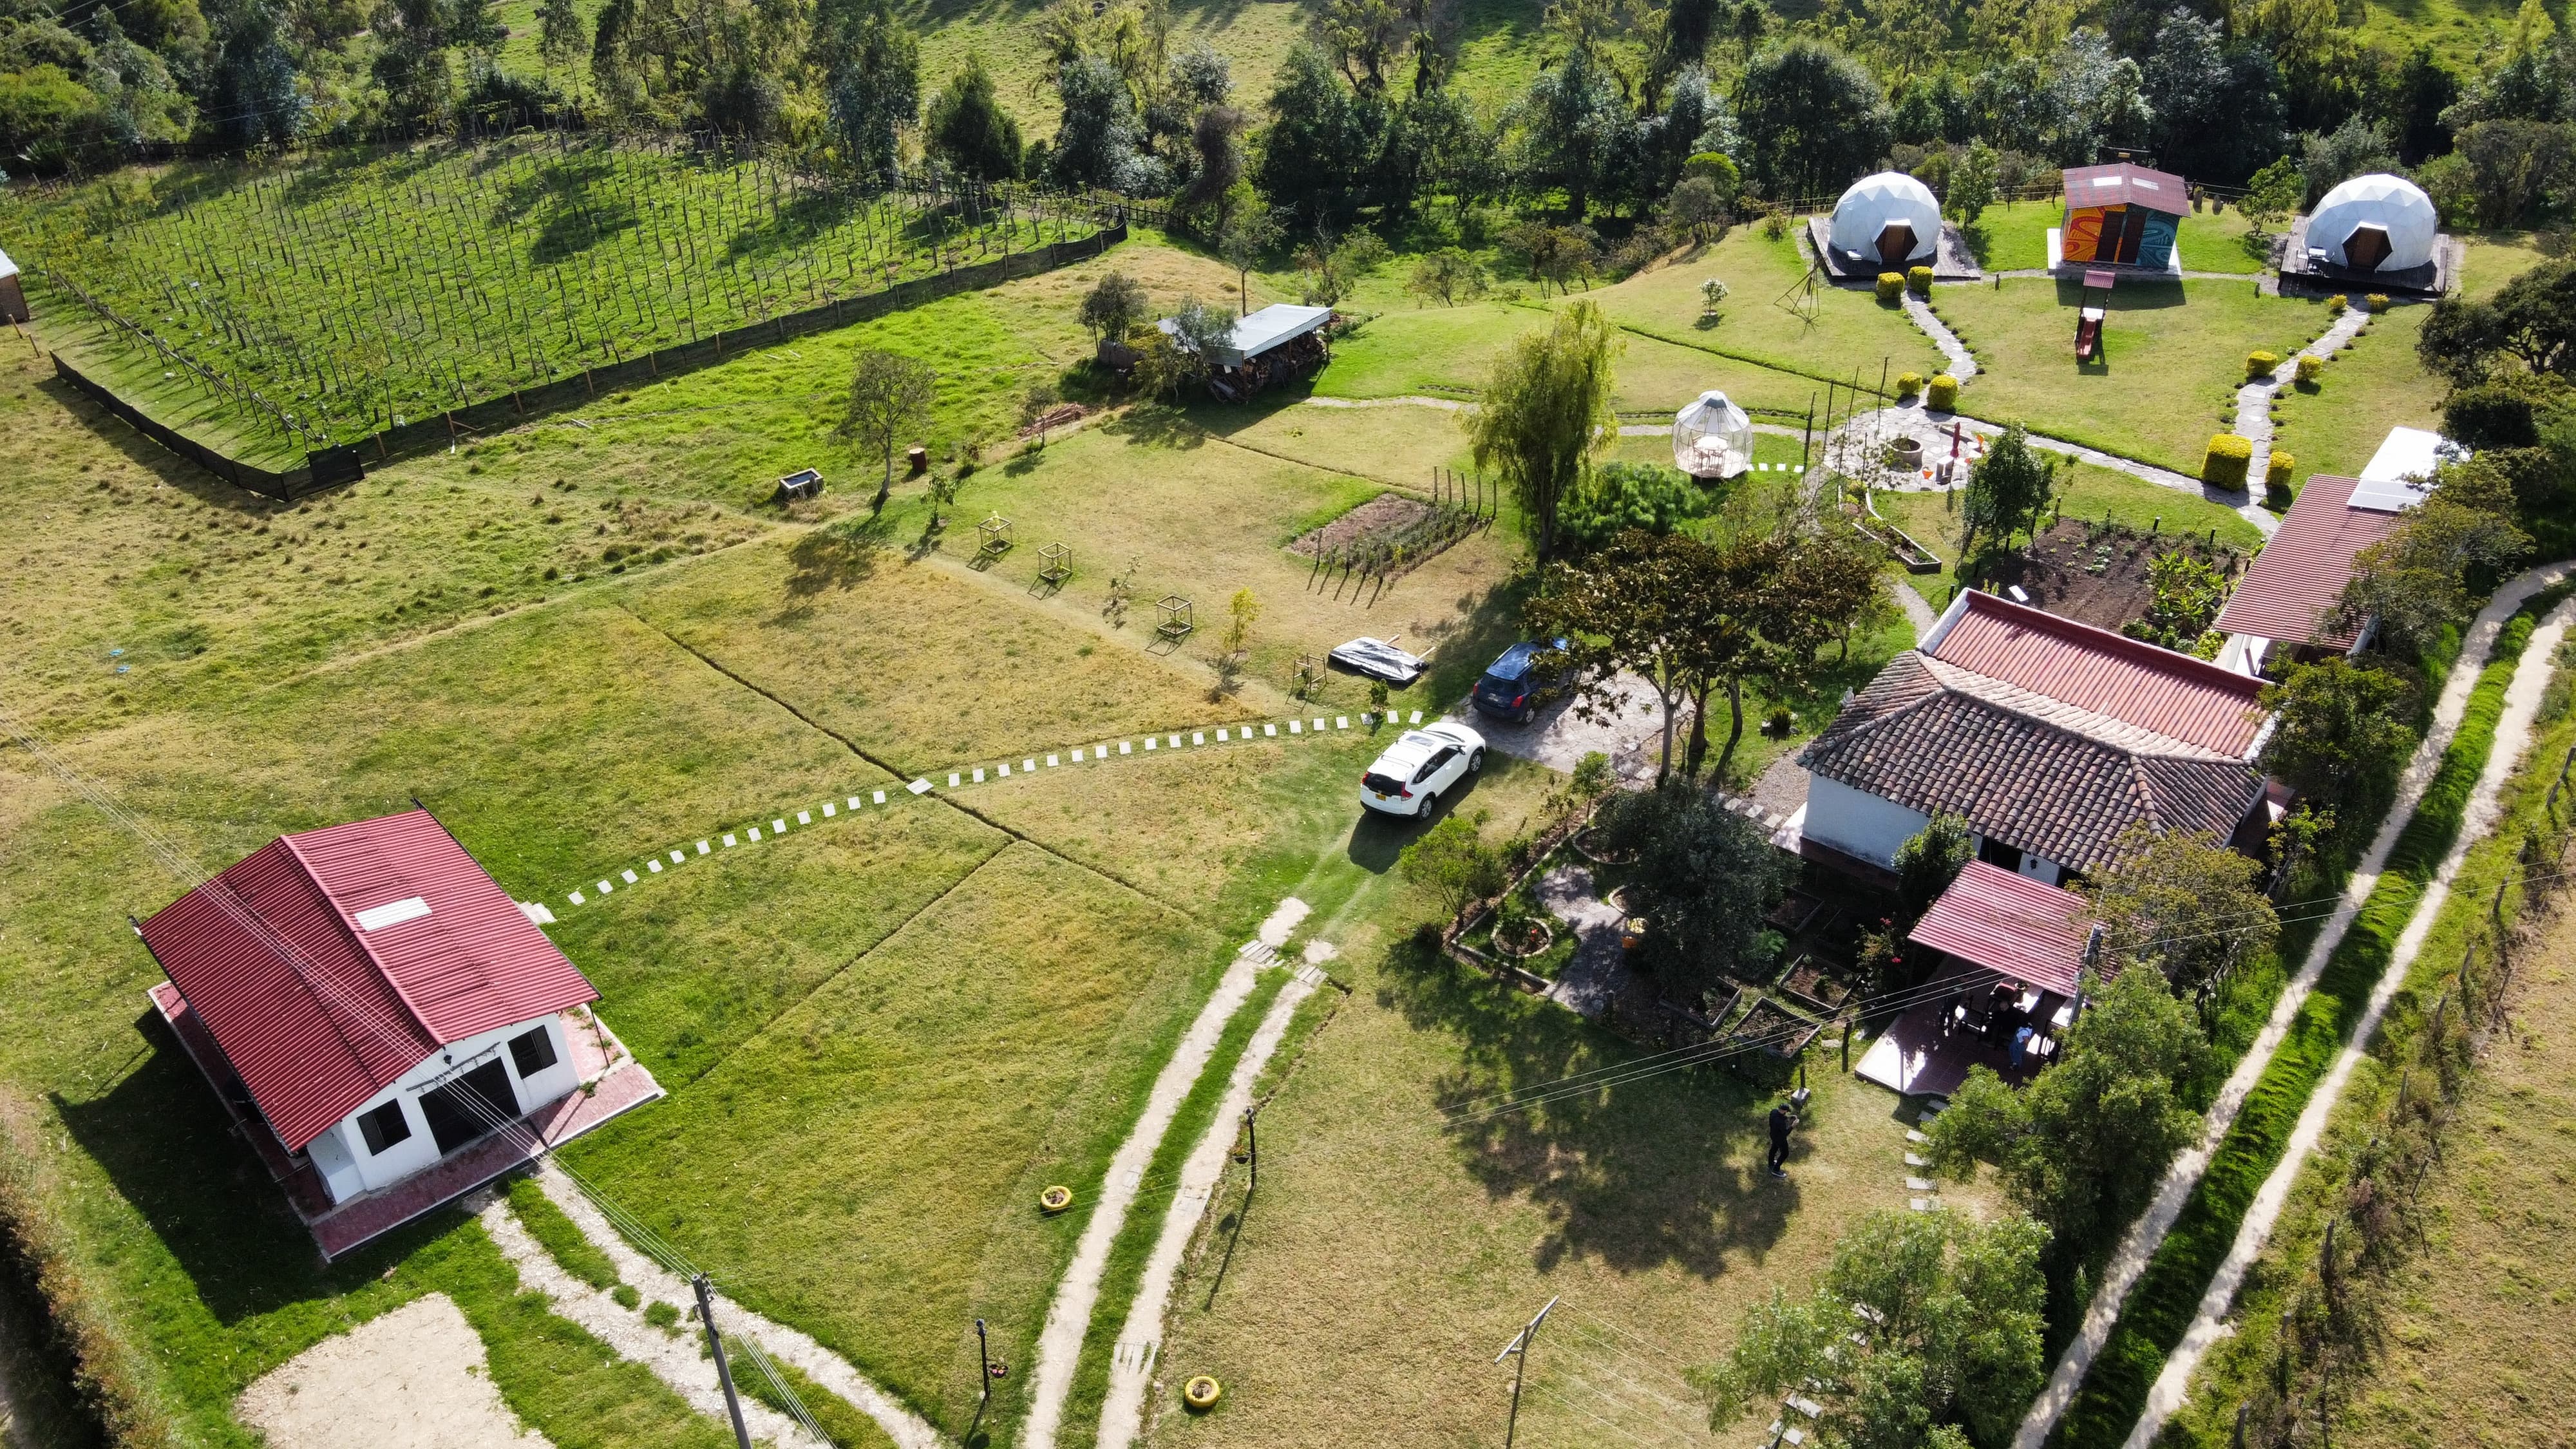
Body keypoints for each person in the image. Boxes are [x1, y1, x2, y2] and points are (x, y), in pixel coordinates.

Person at [1766, 1102, 1797, 1179]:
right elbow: (1785, 1133)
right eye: (1786, 1111)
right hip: (1780, 1139)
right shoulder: (1781, 1123)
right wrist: (1793, 1126)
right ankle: (1776, 1170)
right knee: (1785, 1153)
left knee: (1774, 1148)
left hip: (1773, 1135)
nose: (1786, 1113)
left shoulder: (1773, 1112)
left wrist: (1789, 1117)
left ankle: (1771, 1163)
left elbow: (1780, 1117)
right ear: (1784, 1111)